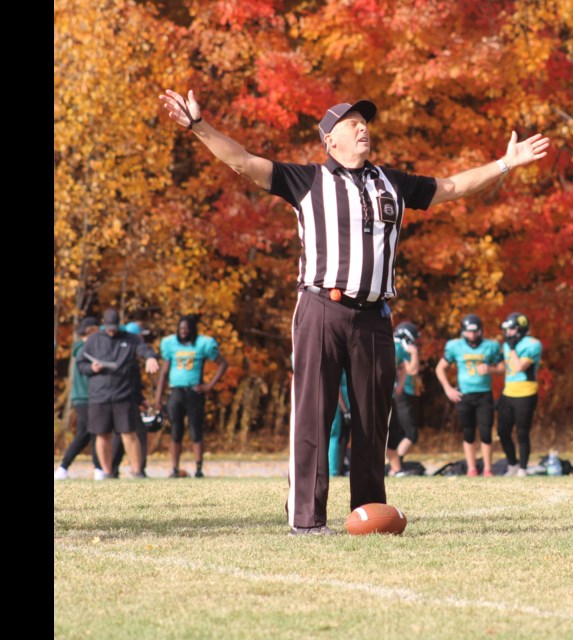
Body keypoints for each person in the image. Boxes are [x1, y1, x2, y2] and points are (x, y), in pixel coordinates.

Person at [161, 88, 549, 532]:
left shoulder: (393, 183)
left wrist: (505, 164)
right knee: (314, 414)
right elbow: (243, 161)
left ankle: (368, 515)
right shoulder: (307, 181)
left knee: (372, 420)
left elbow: (453, 186)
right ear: (330, 140)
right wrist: (199, 127)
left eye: (365, 122)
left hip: (375, 317)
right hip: (321, 308)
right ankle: (306, 518)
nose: (363, 128)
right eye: (352, 123)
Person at [77, 309, 159, 478]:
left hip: (123, 394)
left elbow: (144, 349)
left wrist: (151, 358)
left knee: (129, 433)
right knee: (102, 434)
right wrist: (91, 368)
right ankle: (106, 472)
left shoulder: (130, 338)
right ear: (103, 324)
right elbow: (81, 363)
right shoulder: (94, 340)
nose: (111, 331)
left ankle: (137, 471)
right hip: (100, 395)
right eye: (108, 328)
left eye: (114, 327)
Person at [153, 315, 227, 478]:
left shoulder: (203, 344)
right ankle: (174, 468)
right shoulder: (170, 344)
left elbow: (223, 364)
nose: (183, 331)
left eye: (186, 328)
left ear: (192, 329)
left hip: (194, 392)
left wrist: (209, 386)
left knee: (195, 429)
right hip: (176, 392)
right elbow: (164, 373)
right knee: (176, 430)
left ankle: (198, 468)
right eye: (181, 329)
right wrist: (158, 399)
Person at [436, 315, 504, 477]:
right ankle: (471, 469)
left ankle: (488, 469)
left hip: (484, 394)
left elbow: (502, 368)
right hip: (464, 395)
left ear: (480, 330)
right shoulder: (455, 346)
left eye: (475, 332)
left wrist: (490, 370)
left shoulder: (491, 346)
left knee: (486, 432)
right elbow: (440, 368)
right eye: (468, 332)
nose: (472, 336)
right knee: (468, 432)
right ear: (463, 332)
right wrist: (448, 389)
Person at [55, 317, 105, 480]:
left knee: (88, 432)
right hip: (85, 396)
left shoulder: (85, 347)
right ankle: (96, 468)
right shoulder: (84, 348)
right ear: (90, 331)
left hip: (88, 396)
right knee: (89, 432)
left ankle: (66, 467)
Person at [494, 312, 542, 476]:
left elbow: (520, 366)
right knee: (502, 431)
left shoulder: (532, 344)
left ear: (520, 329)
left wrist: (513, 349)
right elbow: (504, 368)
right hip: (509, 391)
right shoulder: (507, 344)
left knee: (522, 432)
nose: (508, 333)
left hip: (526, 392)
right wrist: (487, 369)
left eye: (512, 329)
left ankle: (523, 467)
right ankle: (512, 463)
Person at [108, 321, 151, 478]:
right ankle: (138, 469)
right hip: (125, 399)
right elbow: (131, 382)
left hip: (126, 398)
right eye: (140, 335)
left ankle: (113, 469)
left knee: (121, 434)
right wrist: (138, 400)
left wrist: (140, 399)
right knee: (136, 433)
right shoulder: (128, 353)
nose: (142, 339)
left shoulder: (126, 351)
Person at [387, 322, 421, 477]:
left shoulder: (393, 344)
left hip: (397, 393)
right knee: (410, 432)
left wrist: (399, 383)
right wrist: (414, 353)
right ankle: (395, 465)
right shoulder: (398, 346)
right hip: (398, 395)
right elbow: (412, 370)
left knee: (398, 432)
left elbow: (402, 369)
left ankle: (395, 466)